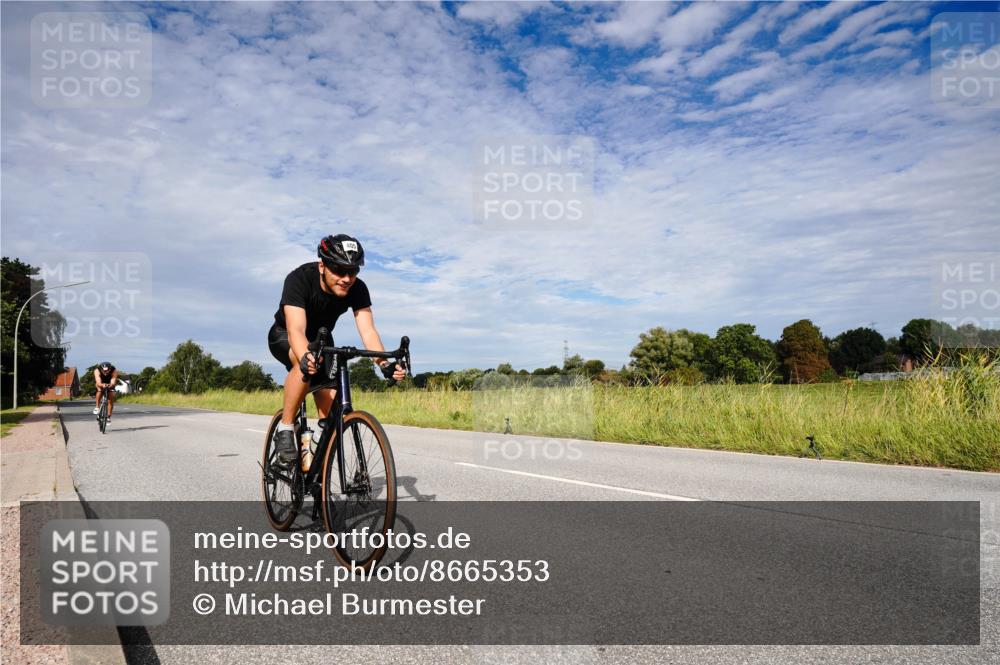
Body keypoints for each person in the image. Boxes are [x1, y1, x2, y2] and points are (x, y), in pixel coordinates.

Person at [268, 234, 405, 464]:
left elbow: (368, 331)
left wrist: (384, 364)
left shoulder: (358, 288)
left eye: (353, 271)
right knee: (305, 365)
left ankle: (316, 455)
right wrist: (305, 357)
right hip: (285, 335)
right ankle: (286, 427)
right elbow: (296, 330)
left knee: (330, 409)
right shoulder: (299, 279)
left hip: (323, 340)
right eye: (339, 270)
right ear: (322, 266)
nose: (346, 278)